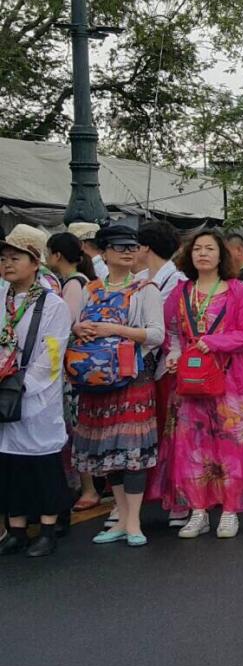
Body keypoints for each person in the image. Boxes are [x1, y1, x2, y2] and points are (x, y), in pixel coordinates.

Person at [161, 230, 243, 539]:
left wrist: (215, 342)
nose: (203, 253)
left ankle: (230, 511)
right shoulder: (181, 292)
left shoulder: (239, 291)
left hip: (231, 381)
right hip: (191, 383)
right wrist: (174, 354)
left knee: (232, 445)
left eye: (209, 248)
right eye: (197, 249)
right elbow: (172, 331)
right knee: (191, 446)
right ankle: (198, 511)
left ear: (222, 255)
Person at [71, 223, 165, 548]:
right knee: (108, 452)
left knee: (132, 451)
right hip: (96, 381)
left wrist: (114, 329)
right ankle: (121, 518)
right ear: (104, 252)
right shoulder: (90, 289)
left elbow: (156, 334)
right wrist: (79, 328)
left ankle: (133, 520)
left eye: (132, 247)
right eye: (119, 247)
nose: (127, 252)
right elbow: (75, 325)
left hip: (131, 378)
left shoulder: (146, 289)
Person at [0, 226, 72, 557]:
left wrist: (23, 383)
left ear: (34, 263)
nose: (7, 264)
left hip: (35, 393)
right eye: (4, 258)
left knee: (41, 462)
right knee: (9, 463)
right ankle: (16, 529)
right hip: (4, 390)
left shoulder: (52, 304)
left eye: (15, 258)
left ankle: (47, 528)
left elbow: (52, 353)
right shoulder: (2, 297)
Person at [135, 220, 189, 528]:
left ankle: (180, 497)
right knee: (152, 433)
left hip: (169, 364)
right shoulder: (140, 279)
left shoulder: (178, 281)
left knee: (175, 434)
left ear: (145, 248)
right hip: (144, 366)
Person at [47, 233, 102, 511]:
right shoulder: (81, 281)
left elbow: (66, 326)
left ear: (57, 255)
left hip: (71, 367)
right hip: (77, 365)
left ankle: (87, 487)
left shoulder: (72, 284)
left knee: (75, 428)